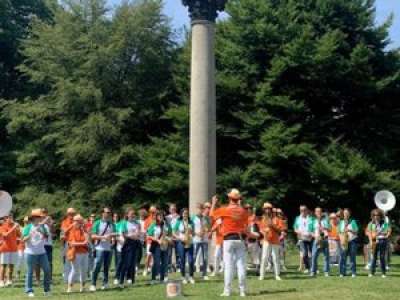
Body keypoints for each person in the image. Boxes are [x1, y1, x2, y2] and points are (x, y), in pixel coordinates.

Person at [210, 189, 249, 297]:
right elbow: (246, 225)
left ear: (229, 198)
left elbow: (211, 214)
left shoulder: (225, 210)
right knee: (241, 266)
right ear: (238, 199)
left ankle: (227, 291)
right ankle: (242, 291)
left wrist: (213, 203)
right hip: (240, 239)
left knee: (228, 266)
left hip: (228, 239)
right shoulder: (243, 211)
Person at [22, 209, 51, 297]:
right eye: (39, 217)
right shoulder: (28, 227)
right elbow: (23, 239)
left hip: (42, 252)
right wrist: (30, 234)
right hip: (30, 253)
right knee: (30, 272)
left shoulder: (44, 226)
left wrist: (41, 230)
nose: (41, 218)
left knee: (47, 270)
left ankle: (47, 290)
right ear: (34, 218)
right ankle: (29, 290)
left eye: (41, 217)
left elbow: (47, 236)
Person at [90, 207, 116, 292]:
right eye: (107, 212)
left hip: (108, 248)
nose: (108, 214)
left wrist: (112, 238)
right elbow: (93, 236)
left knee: (106, 267)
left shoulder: (111, 223)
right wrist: (102, 237)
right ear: (102, 213)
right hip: (99, 247)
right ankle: (93, 284)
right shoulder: (97, 223)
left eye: (109, 212)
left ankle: (105, 283)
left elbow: (115, 234)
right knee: (97, 265)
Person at [259, 202, 283, 281]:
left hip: (275, 241)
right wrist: (264, 232)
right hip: (266, 240)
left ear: (271, 209)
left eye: (268, 208)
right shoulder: (263, 219)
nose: (267, 210)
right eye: (266, 209)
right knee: (264, 258)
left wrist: (272, 225)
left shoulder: (277, 219)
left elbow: (280, 230)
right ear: (264, 210)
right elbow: (261, 229)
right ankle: (262, 275)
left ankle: (277, 275)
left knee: (276, 258)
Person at [117, 207, 141, 287]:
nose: (132, 215)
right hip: (127, 244)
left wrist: (135, 235)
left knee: (133, 263)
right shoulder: (124, 223)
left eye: (133, 214)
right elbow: (124, 234)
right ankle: (121, 281)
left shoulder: (137, 223)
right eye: (131, 214)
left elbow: (138, 232)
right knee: (126, 263)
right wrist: (132, 236)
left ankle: (132, 280)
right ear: (127, 215)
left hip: (135, 243)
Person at [66, 214, 89, 293]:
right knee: (75, 270)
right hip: (75, 253)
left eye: (80, 221)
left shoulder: (83, 230)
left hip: (85, 252)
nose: (79, 223)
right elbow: (72, 243)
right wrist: (83, 243)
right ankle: (69, 287)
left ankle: (82, 287)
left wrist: (84, 230)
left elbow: (87, 240)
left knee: (84, 270)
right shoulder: (71, 230)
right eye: (78, 221)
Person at [147, 212, 172, 284]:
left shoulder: (167, 225)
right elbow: (149, 235)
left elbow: (170, 234)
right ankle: (153, 278)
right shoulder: (153, 224)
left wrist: (169, 239)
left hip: (165, 244)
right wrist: (157, 240)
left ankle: (162, 278)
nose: (160, 217)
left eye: (162, 216)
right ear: (156, 217)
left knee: (164, 262)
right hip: (156, 245)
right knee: (156, 262)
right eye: (159, 216)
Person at [173, 208, 195, 284]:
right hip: (181, 243)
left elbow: (193, 232)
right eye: (184, 213)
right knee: (182, 260)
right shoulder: (178, 222)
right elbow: (173, 232)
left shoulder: (191, 222)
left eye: (187, 213)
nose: (185, 214)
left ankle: (191, 276)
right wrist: (179, 238)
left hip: (190, 242)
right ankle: (183, 277)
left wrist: (191, 235)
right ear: (181, 214)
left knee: (191, 260)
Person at [367, 209, 390, 278]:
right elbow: (369, 233)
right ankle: (372, 272)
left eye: (377, 215)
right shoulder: (371, 224)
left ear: (380, 216)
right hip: (374, 241)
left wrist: (379, 233)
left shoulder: (384, 223)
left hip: (382, 241)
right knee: (373, 257)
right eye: (374, 215)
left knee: (382, 257)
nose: (376, 216)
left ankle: (383, 273)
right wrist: (371, 241)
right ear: (372, 216)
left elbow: (387, 231)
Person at [192, 203, 211, 280]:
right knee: (194, 256)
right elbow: (190, 229)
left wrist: (207, 230)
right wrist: (197, 233)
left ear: (203, 209)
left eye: (201, 208)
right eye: (198, 208)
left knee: (205, 257)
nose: (199, 210)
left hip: (204, 240)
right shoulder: (193, 218)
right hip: (196, 240)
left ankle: (204, 274)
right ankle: (191, 273)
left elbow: (209, 227)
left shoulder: (206, 218)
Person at [0, 214, 20, 287]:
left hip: (13, 248)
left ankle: (9, 280)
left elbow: (20, 235)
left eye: (12, 217)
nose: (11, 219)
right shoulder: (3, 226)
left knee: (11, 265)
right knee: (3, 265)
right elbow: (5, 235)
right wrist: (13, 227)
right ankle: (1, 281)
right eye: (9, 217)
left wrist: (17, 228)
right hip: (5, 248)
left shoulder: (14, 226)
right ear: (6, 218)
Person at [338, 208, 358, 277]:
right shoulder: (341, 222)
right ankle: (342, 272)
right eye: (344, 213)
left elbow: (356, 232)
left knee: (352, 257)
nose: (345, 214)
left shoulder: (353, 221)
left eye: (347, 213)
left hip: (352, 241)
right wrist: (342, 240)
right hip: (344, 241)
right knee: (343, 257)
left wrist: (350, 230)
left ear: (349, 214)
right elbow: (339, 232)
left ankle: (353, 272)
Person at [293, 205, 314, 273]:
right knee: (304, 253)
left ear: (307, 210)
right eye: (301, 210)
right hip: (302, 239)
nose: (303, 211)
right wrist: (298, 232)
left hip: (311, 238)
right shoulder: (297, 218)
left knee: (312, 254)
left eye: (304, 210)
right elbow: (295, 228)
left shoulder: (311, 218)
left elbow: (314, 227)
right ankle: (307, 267)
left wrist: (312, 233)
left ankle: (313, 267)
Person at [310, 207, 329, 277]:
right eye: (317, 212)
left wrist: (324, 228)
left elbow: (329, 229)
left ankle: (326, 271)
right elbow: (310, 231)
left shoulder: (325, 220)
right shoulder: (313, 221)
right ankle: (313, 271)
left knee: (326, 256)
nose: (319, 213)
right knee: (314, 256)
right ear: (315, 213)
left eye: (320, 212)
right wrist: (315, 237)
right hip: (317, 239)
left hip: (325, 239)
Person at [60, 208, 76, 282]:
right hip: (68, 243)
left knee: (75, 260)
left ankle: (75, 277)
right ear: (67, 214)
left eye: (73, 214)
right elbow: (64, 231)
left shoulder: (76, 221)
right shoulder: (64, 222)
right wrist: (72, 225)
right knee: (67, 260)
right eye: (70, 214)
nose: (71, 215)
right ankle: (66, 278)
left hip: (76, 243)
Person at [245, 204, 260, 272]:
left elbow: (257, 226)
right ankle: (246, 267)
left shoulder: (254, 217)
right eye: (247, 208)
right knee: (246, 254)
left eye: (249, 208)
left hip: (253, 238)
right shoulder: (244, 217)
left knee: (255, 254)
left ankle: (257, 268)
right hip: (246, 238)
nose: (248, 209)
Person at [166, 203, 180, 273]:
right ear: (169, 210)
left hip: (177, 237)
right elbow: (166, 228)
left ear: (176, 209)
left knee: (178, 252)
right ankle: (169, 266)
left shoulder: (179, 217)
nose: (173, 210)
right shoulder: (167, 217)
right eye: (171, 209)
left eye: (174, 209)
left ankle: (178, 266)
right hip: (169, 237)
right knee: (169, 253)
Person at [143, 206, 157, 276]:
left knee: (155, 256)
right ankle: (145, 268)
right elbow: (146, 231)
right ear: (149, 212)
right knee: (149, 255)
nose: (153, 213)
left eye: (154, 211)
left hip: (157, 241)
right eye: (152, 211)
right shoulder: (147, 220)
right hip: (150, 240)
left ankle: (152, 269)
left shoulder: (158, 219)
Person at [112, 212, 121, 285]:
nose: (115, 217)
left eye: (117, 216)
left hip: (118, 242)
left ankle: (117, 271)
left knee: (118, 257)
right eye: (114, 216)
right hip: (111, 242)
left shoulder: (120, 224)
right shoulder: (111, 224)